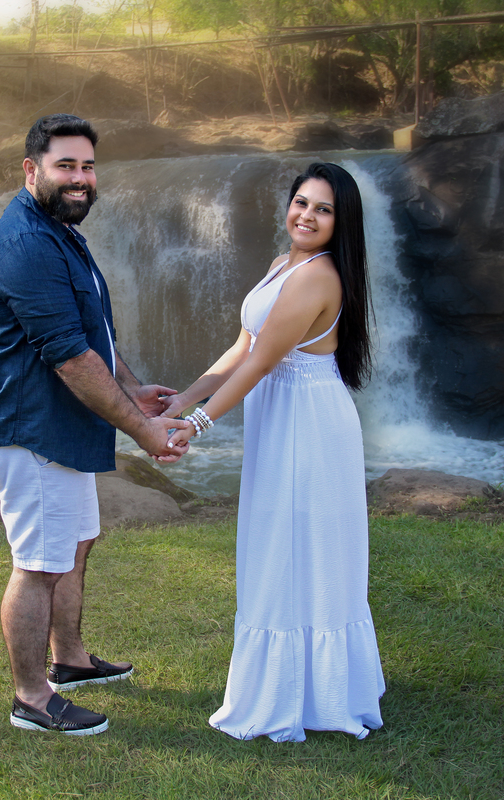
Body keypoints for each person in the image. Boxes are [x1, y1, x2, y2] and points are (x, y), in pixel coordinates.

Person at [0, 114, 191, 736]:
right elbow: (68, 355)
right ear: (31, 169)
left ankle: (67, 660)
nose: (81, 178)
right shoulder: (26, 245)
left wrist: (134, 388)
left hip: (62, 426)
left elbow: (91, 332)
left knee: (76, 542)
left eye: (88, 166)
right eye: (66, 165)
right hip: (29, 428)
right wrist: (144, 433)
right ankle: (31, 699)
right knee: (38, 564)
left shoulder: (60, 230)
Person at [160, 162, 385, 742]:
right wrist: (181, 398)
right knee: (278, 543)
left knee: (300, 546)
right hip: (282, 416)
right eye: (301, 202)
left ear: (342, 222)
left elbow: (263, 364)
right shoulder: (283, 264)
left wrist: (199, 423)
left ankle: (313, 694)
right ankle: (301, 682)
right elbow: (244, 347)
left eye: (323, 209)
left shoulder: (317, 277)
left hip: (307, 424)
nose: (307, 215)